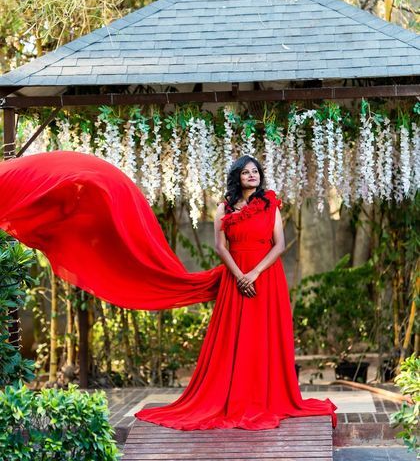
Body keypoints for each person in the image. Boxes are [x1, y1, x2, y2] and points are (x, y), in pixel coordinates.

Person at [0, 150, 337, 431]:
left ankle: (268, 396)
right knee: (238, 337)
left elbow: (278, 246)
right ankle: (236, 396)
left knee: (266, 335)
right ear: (237, 177)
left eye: (256, 171)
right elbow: (221, 248)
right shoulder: (224, 208)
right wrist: (239, 276)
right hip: (236, 277)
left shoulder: (270, 205)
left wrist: (255, 273)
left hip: (267, 277)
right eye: (247, 172)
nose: (253, 175)